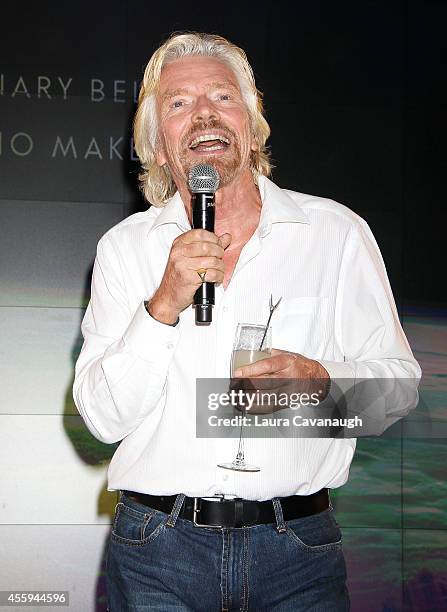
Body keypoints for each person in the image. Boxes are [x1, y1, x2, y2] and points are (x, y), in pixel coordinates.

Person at [73, 32, 420, 611]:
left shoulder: (334, 234)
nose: (204, 113)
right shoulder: (124, 250)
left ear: (252, 126)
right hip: (158, 549)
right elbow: (104, 421)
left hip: (299, 553)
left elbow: (400, 394)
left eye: (222, 96)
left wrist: (321, 385)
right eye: (179, 104)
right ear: (159, 147)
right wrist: (162, 306)